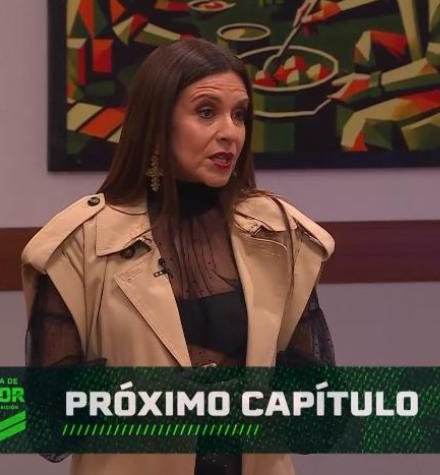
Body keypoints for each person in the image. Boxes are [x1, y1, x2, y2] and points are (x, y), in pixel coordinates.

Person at [21, 38, 336, 475]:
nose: (230, 132)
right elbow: (52, 422)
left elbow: (316, 417)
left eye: (239, 115)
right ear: (157, 123)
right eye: (206, 112)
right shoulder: (80, 244)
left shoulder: (279, 236)